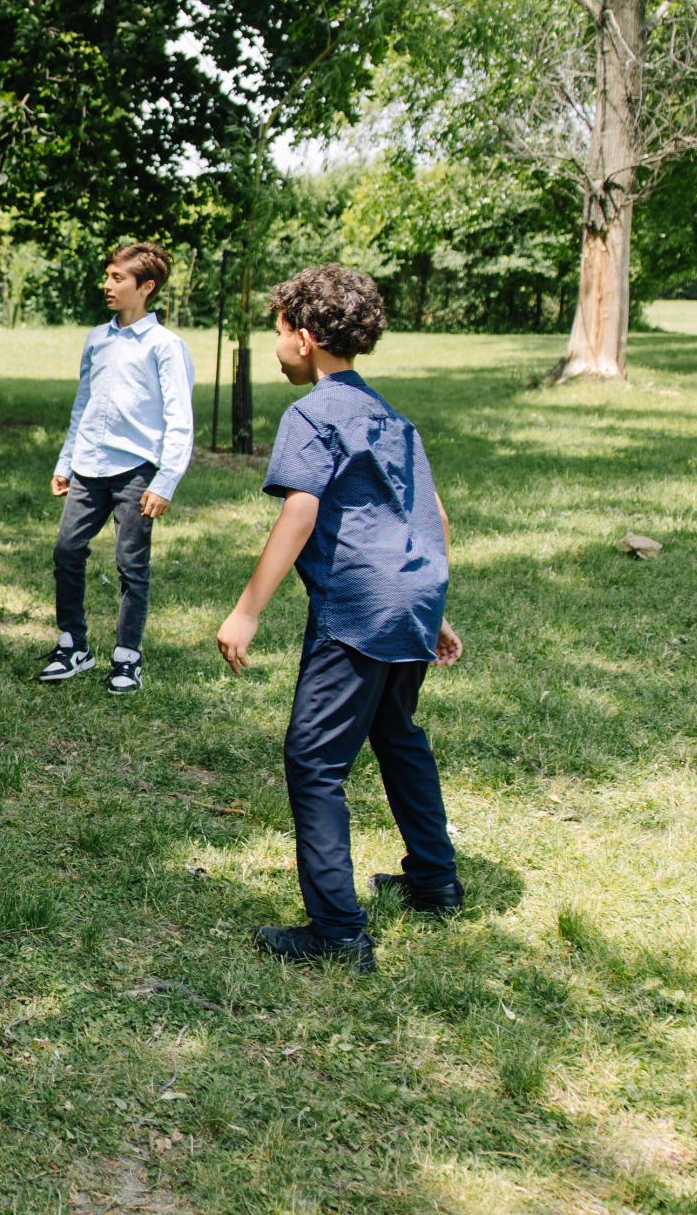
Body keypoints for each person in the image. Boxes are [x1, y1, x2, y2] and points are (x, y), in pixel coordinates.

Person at [216, 264, 465, 973]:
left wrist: (246, 611)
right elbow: (433, 514)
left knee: (314, 759)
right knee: (397, 733)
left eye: (277, 332)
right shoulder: (391, 416)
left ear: (304, 337)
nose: (276, 347)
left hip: (357, 606)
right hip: (413, 592)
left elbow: (301, 511)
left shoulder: (313, 414)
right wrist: (430, 608)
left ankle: (337, 931)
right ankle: (434, 881)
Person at [38, 241, 196, 695]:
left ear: (146, 287)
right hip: (89, 465)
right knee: (67, 550)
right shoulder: (97, 339)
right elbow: (83, 405)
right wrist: (66, 461)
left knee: (131, 565)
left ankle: (127, 657)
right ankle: (73, 645)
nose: (107, 285)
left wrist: (165, 481)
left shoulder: (166, 346)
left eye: (117, 278)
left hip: (137, 471)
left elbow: (179, 419)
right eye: (107, 276)